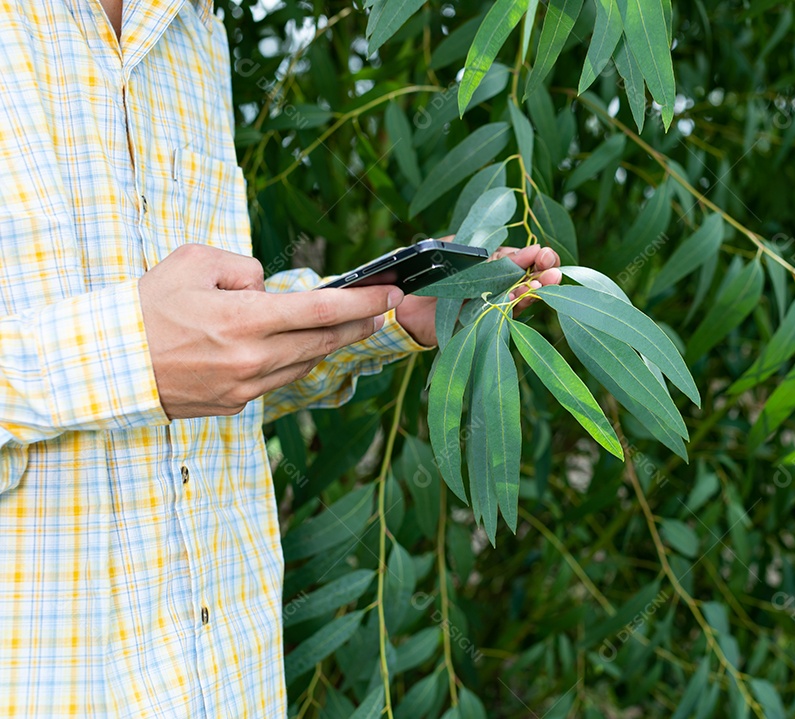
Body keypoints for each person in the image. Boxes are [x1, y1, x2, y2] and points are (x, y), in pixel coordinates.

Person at [0, 1, 561, 716]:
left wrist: (383, 312)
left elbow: (207, 368)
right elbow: (151, 357)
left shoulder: (193, 29)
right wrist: (123, 356)